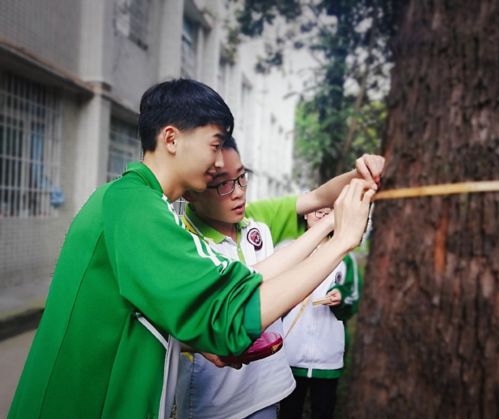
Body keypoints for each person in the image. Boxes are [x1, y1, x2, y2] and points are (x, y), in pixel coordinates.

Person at [8, 79, 374, 419]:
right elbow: (230, 313)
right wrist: (341, 240)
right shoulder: (134, 205)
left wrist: (331, 224)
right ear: (171, 138)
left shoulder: (141, 204)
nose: (219, 163)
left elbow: (239, 283)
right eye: (215, 145)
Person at [176, 137, 384, 419]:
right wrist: (340, 236)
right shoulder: (180, 243)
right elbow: (224, 305)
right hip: (212, 402)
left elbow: (318, 197)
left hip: (266, 389)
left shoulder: (256, 222)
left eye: (242, 178)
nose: (238, 193)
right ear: (191, 190)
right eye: (223, 184)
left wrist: (359, 177)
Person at [279, 209, 362, 419]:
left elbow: (353, 299)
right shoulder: (288, 251)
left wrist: (340, 296)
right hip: (291, 350)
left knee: (323, 411)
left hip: (327, 354)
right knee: (289, 411)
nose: (323, 211)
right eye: (317, 208)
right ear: (305, 214)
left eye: (329, 209)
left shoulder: (344, 256)